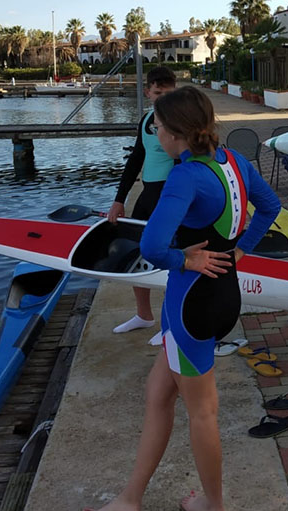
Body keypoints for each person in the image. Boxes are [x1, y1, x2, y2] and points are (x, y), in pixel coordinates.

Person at [81, 86, 281, 511]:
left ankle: (214, 505)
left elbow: (152, 245)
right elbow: (270, 206)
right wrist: (241, 249)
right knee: (158, 394)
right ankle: (130, 498)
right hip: (221, 292)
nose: (153, 131)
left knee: (203, 412)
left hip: (191, 303)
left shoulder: (185, 177)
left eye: (158, 126)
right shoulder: (235, 161)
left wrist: (184, 258)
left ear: (176, 134)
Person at [109, 66, 177, 346]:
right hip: (148, 194)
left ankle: (172, 325)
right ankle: (144, 315)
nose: (161, 98)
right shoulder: (146, 120)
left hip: (172, 194)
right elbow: (135, 160)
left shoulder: (179, 121)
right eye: (157, 93)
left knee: (173, 261)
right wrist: (119, 199)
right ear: (148, 92)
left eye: (168, 93)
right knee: (137, 253)